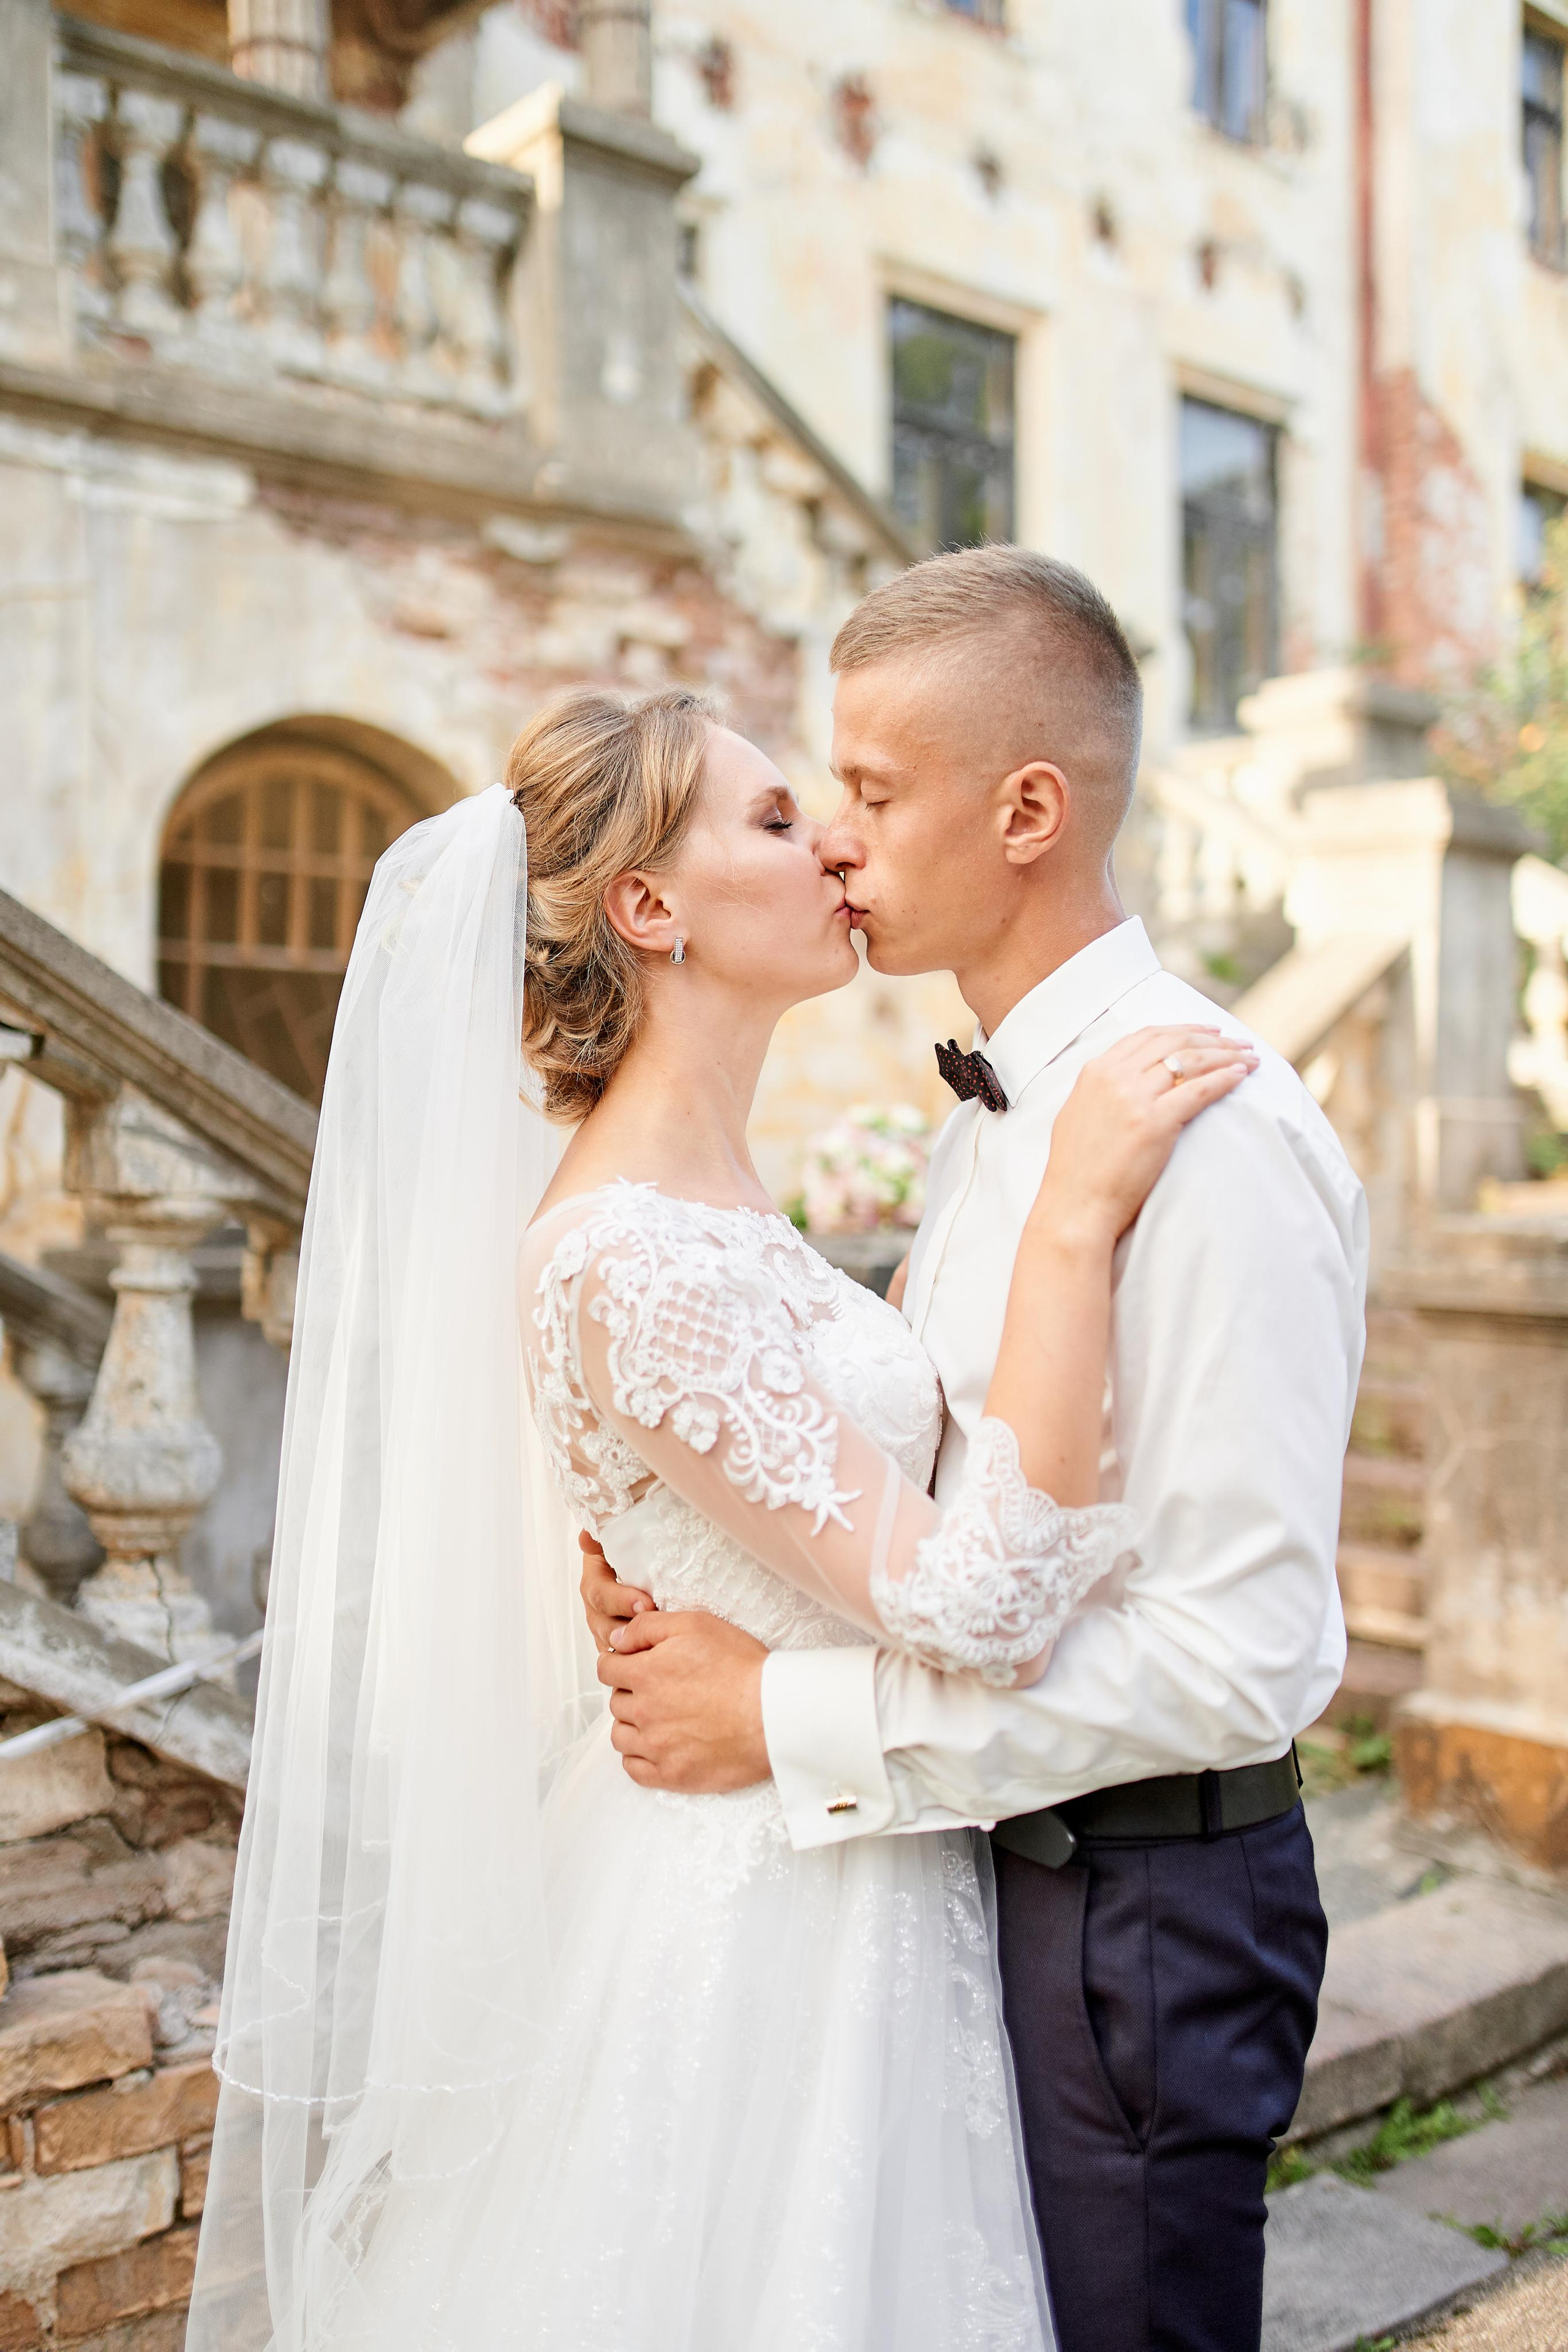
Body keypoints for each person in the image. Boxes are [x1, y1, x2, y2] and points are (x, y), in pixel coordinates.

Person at [190, 665, 1254, 2352]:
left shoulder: (712, 1205)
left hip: (846, 1849)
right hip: (764, 1929)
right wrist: (1073, 1219)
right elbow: (972, 1605)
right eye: (775, 819)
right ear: (647, 906)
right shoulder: (628, 1254)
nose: (834, 846)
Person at [585, 548, 1369, 2352]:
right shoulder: (992, 1114)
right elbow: (952, 1513)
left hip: (1139, 1919)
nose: (837, 839)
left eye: (868, 790)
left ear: (1029, 809)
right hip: (973, 1891)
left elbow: (1236, 1661)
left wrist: (776, 1718)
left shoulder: (1210, 1136)